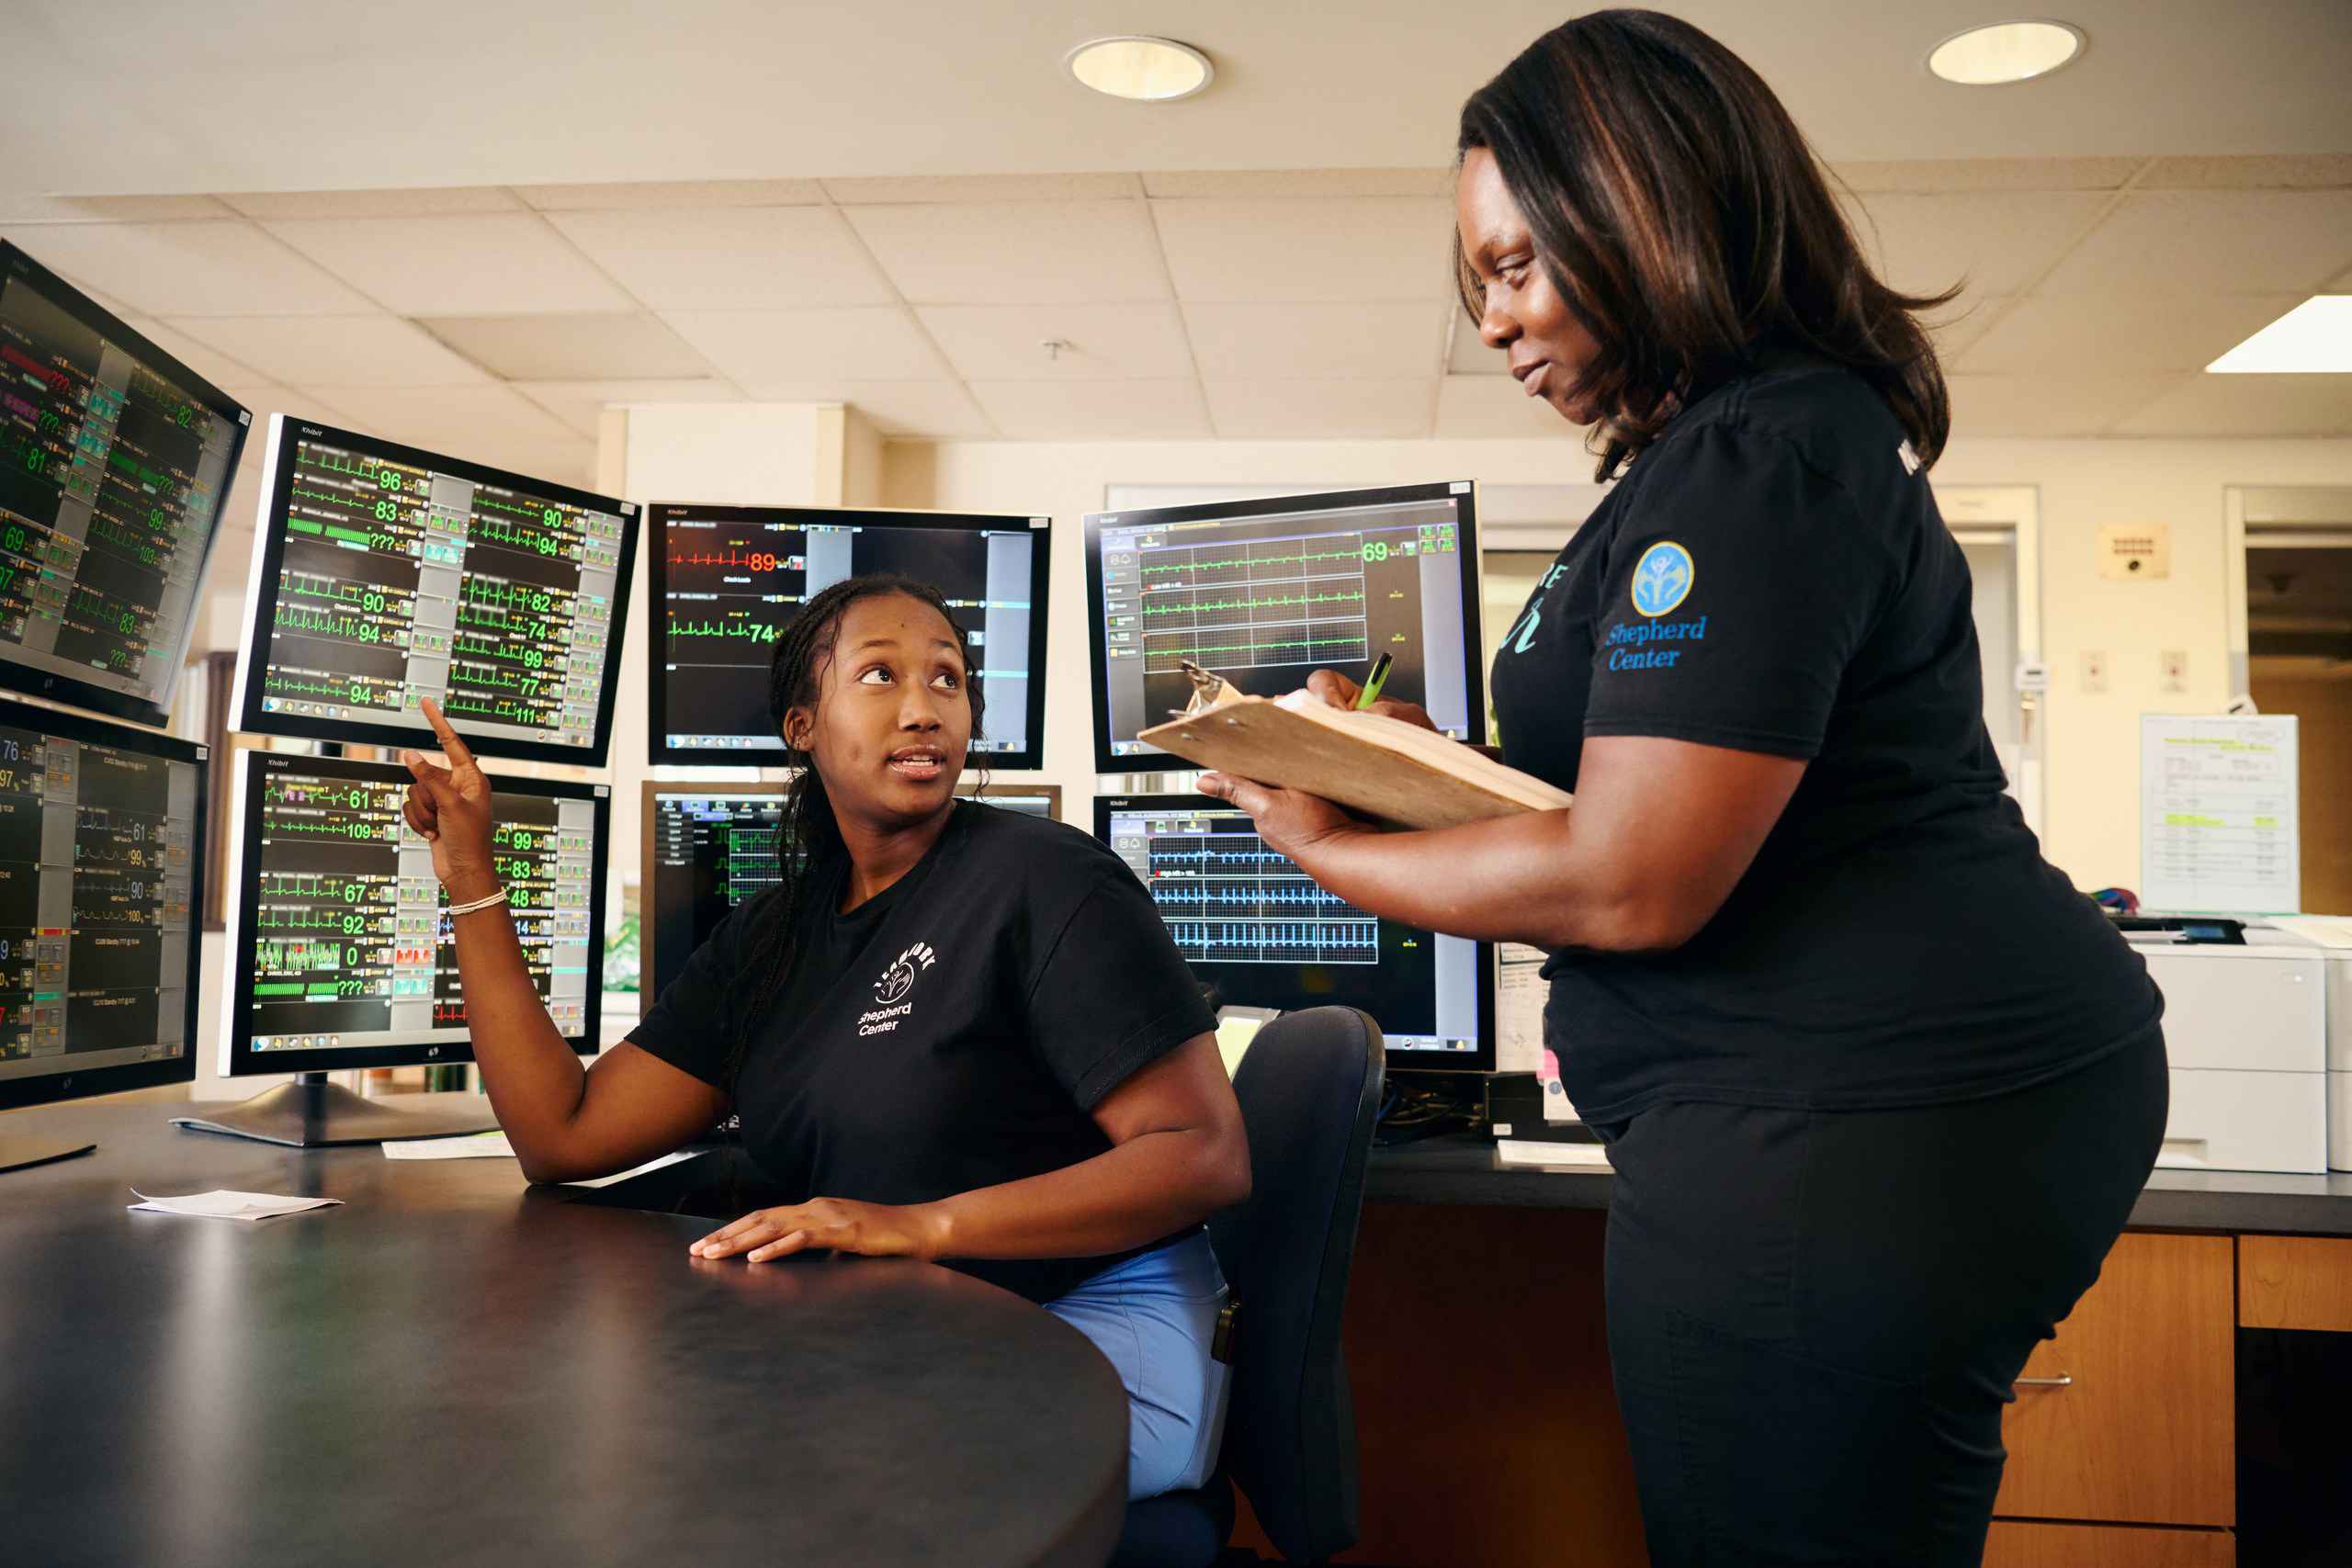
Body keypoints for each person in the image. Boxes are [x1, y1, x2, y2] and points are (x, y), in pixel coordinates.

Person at [1197, 11, 2167, 1563]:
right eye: (1481, 285)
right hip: (1875, 1098)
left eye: (1517, 267)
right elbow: (1610, 792)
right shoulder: (1714, 461)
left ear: (1645, 208)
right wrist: (1393, 762)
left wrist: (1324, 846)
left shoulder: (1757, 457)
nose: (1497, 326)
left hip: (1862, 1108)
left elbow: (1629, 874)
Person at [401, 573, 1250, 1501]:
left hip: (1095, 1325)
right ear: (802, 725)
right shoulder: (774, 938)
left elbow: (1201, 1155)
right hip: (926, 1321)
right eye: (879, 677)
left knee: (771, 1478)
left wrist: (918, 1227)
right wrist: (470, 871)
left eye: (948, 681)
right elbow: (561, 1136)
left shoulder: (1046, 881)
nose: (925, 710)